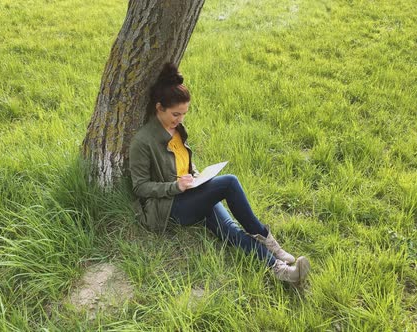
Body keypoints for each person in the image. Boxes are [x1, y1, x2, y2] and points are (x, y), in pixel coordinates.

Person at [128, 63, 310, 284]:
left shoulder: (175, 129)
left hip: (191, 194)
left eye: (184, 114)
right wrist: (175, 187)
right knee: (229, 183)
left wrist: (196, 176)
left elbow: (183, 164)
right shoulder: (142, 141)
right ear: (159, 108)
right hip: (170, 207)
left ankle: (281, 270)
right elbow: (139, 187)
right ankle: (267, 238)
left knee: (230, 231)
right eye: (176, 114)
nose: (180, 119)